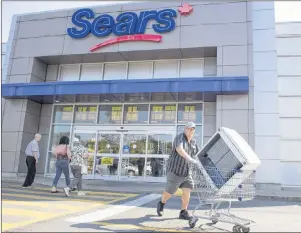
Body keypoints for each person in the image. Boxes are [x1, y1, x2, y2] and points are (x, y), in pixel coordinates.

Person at [157, 122, 200, 220]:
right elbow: (179, 148)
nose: (191, 130)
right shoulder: (180, 137)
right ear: (185, 129)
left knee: (188, 189)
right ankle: (161, 203)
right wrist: (189, 158)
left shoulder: (193, 142)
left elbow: (198, 155)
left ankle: (183, 212)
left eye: (193, 129)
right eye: (189, 128)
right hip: (175, 171)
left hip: (186, 172)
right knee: (170, 192)